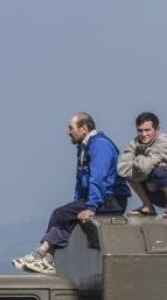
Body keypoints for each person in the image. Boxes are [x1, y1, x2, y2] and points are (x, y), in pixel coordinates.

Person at [13, 112, 131, 274]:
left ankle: (42, 253)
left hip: (111, 198)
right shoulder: (83, 147)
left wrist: (91, 207)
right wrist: (76, 204)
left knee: (61, 213)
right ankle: (47, 258)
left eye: (71, 128)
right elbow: (80, 180)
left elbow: (98, 178)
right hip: (96, 198)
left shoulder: (100, 145)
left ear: (83, 129)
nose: (68, 132)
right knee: (64, 214)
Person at [117, 112, 167, 219]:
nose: (143, 134)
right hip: (154, 190)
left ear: (157, 129)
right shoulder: (135, 143)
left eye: (147, 130)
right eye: (140, 130)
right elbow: (121, 169)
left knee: (160, 171)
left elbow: (144, 167)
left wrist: (137, 160)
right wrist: (144, 163)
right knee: (130, 174)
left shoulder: (164, 142)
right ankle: (148, 206)